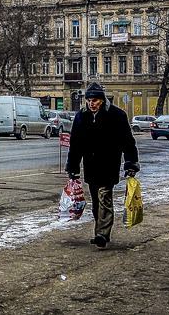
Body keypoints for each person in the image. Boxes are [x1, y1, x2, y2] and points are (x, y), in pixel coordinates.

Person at [66, 82, 139, 249]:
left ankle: (102, 234)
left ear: (102, 100)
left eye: (95, 100)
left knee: (104, 197)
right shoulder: (81, 117)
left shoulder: (116, 115)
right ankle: (100, 229)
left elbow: (127, 142)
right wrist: (73, 168)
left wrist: (131, 164)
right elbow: (75, 144)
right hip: (90, 165)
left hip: (109, 164)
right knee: (96, 201)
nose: (92, 103)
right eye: (89, 100)